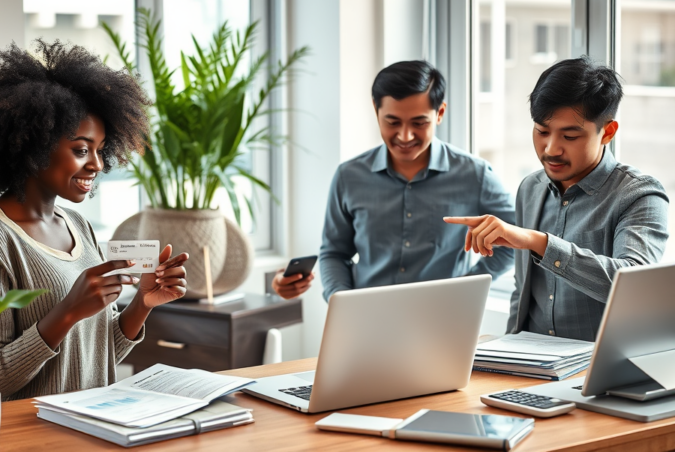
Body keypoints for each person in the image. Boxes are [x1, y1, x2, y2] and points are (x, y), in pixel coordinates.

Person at [0, 40, 188, 401]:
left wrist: (143, 304)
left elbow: (95, 355)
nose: (98, 165)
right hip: (36, 436)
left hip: (96, 424)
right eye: (81, 149)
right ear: (32, 146)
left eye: (100, 150)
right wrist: (66, 312)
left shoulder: (78, 226)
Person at [445, 57, 669, 341]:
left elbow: (633, 284)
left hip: (598, 372)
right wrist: (505, 347)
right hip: (528, 362)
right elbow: (522, 290)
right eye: (542, 131)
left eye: (570, 136)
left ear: (607, 132)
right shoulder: (530, 188)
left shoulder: (639, 195)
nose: (551, 149)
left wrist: (537, 242)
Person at [273, 60, 515, 300]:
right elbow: (335, 253)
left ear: (439, 113)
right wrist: (340, 300)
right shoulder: (348, 176)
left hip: (442, 323)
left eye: (419, 123)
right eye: (393, 122)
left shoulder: (475, 174)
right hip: (366, 322)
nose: (405, 136)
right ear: (376, 111)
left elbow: (515, 237)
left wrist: (469, 288)